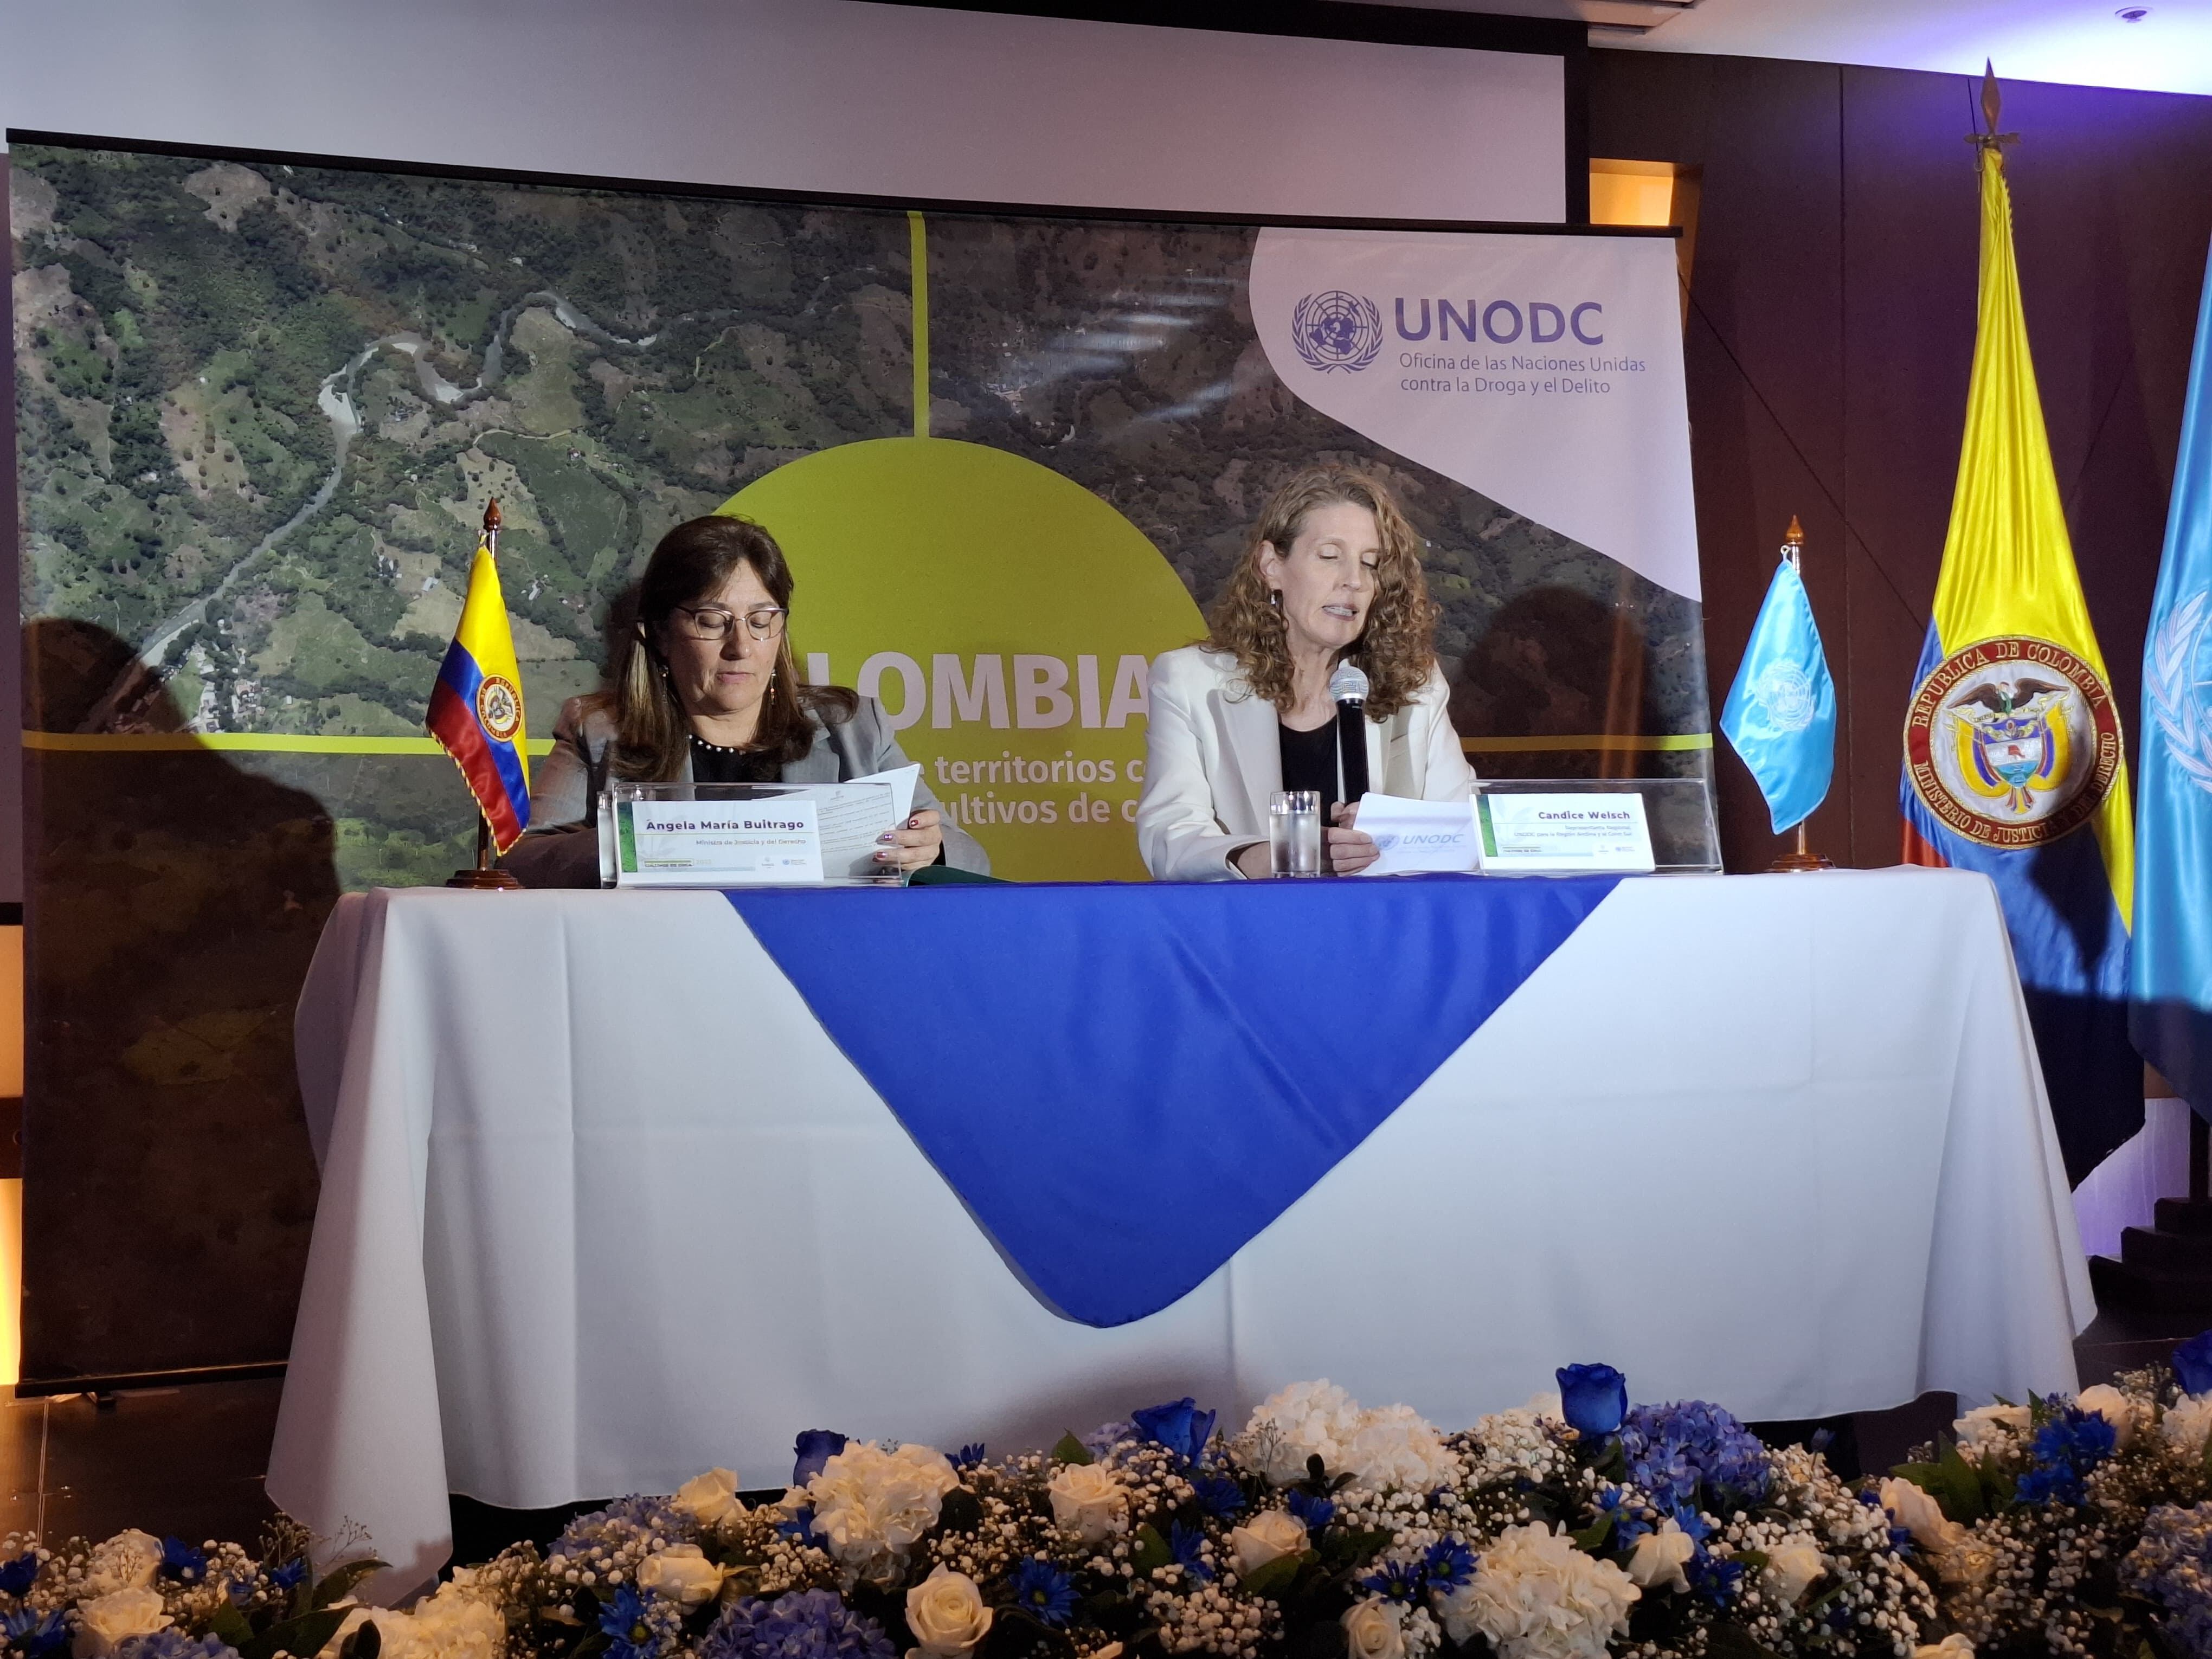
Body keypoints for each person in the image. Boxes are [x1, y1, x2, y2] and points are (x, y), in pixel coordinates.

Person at [503, 515, 988, 886]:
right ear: (661, 635)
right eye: (713, 622)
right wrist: (632, 843)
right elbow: (523, 861)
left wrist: (932, 848)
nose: (742, 647)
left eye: (761, 621)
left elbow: (973, 860)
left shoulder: (854, 726)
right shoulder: (599, 729)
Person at [1136, 466, 1474, 881]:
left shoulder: (1416, 685)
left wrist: (1391, 838)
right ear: (1271, 566)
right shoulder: (1190, 681)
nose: (1354, 581)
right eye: (1330, 557)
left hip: (1384, 915)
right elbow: (1169, 836)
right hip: (1255, 916)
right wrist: (1285, 855)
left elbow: (1463, 832)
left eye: (1370, 564)